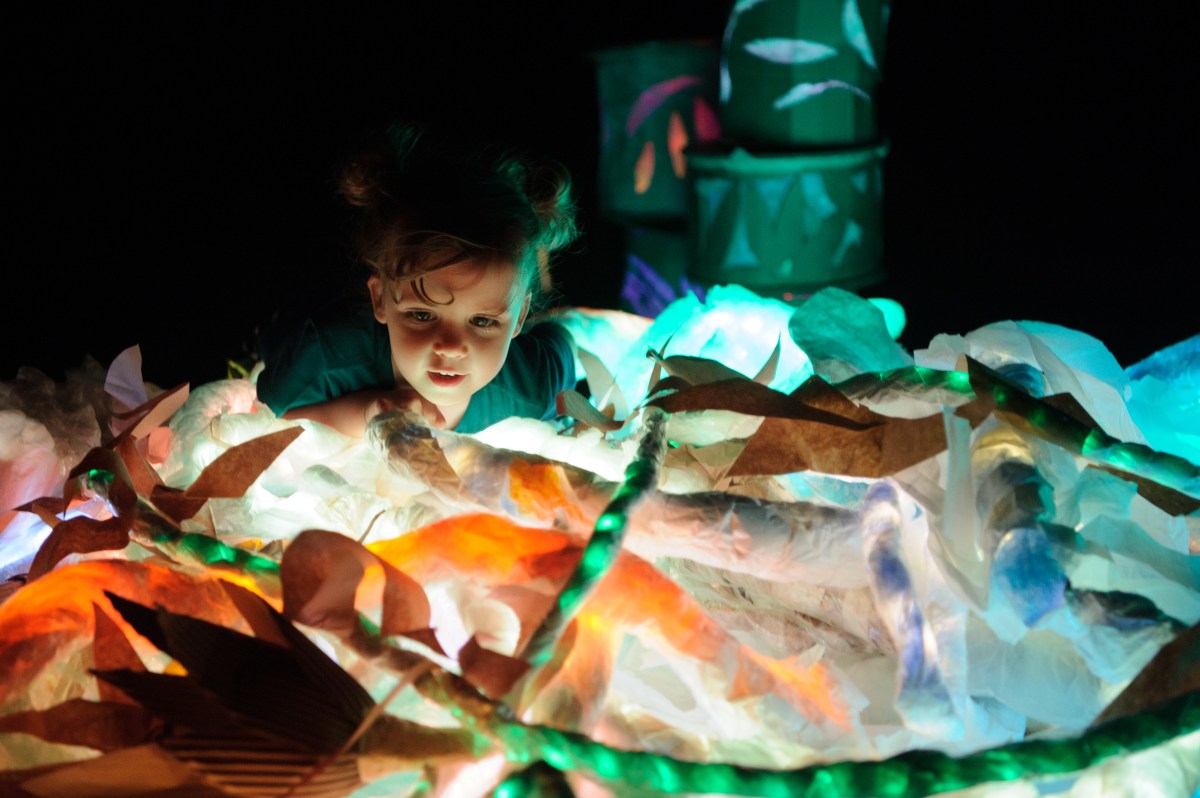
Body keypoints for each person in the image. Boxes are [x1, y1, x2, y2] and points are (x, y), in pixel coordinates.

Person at [255, 123, 580, 437]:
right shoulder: (328, 352)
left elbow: (565, 343)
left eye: (482, 320)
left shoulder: (532, 386)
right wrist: (368, 412)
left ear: (520, 317)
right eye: (422, 315)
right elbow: (265, 425)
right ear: (380, 299)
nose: (451, 348)